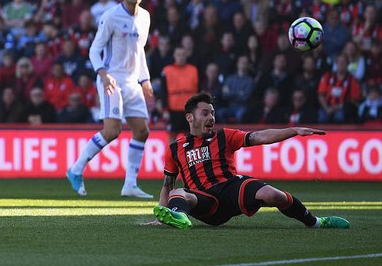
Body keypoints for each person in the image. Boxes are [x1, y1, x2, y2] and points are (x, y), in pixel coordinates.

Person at [150, 92, 350, 230]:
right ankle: (179, 217)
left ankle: (316, 222)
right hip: (204, 201)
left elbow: (259, 137)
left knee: (272, 194)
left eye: (212, 112)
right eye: (205, 113)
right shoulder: (175, 148)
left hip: (230, 187)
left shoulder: (224, 136)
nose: (211, 117)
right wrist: (160, 216)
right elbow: (168, 184)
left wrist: (294, 131)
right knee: (178, 193)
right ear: (189, 118)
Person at [66, 0, 154, 198]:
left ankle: (130, 185)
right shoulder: (111, 16)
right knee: (112, 131)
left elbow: (140, 52)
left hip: (133, 81)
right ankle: (76, 169)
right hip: (112, 79)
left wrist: (145, 80)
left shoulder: (145, 17)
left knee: (142, 131)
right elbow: (94, 49)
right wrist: (103, 75)